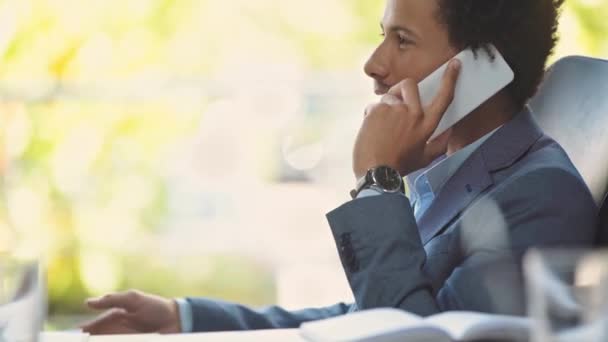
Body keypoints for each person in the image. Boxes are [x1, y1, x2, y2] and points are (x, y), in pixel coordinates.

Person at [81, 0, 598, 334]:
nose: (373, 64)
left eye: (402, 40)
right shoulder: (457, 174)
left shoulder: (541, 197)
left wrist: (377, 181)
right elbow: (361, 318)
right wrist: (184, 318)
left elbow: (403, 333)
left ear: (484, 66)